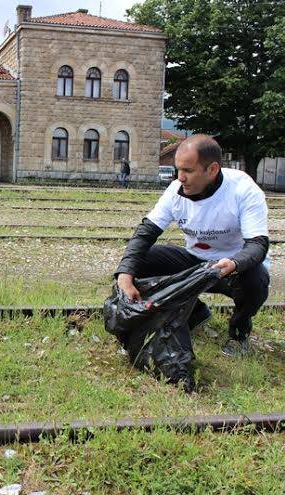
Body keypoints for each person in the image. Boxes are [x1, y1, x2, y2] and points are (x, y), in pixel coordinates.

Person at [115, 134, 269, 358]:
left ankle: (239, 331)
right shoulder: (175, 190)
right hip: (194, 260)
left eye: (188, 171)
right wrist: (125, 273)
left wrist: (235, 263)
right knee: (140, 260)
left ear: (212, 169)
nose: (180, 177)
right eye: (178, 169)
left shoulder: (243, 190)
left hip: (230, 266)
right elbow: (146, 233)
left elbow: (258, 245)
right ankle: (196, 313)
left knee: (257, 279)